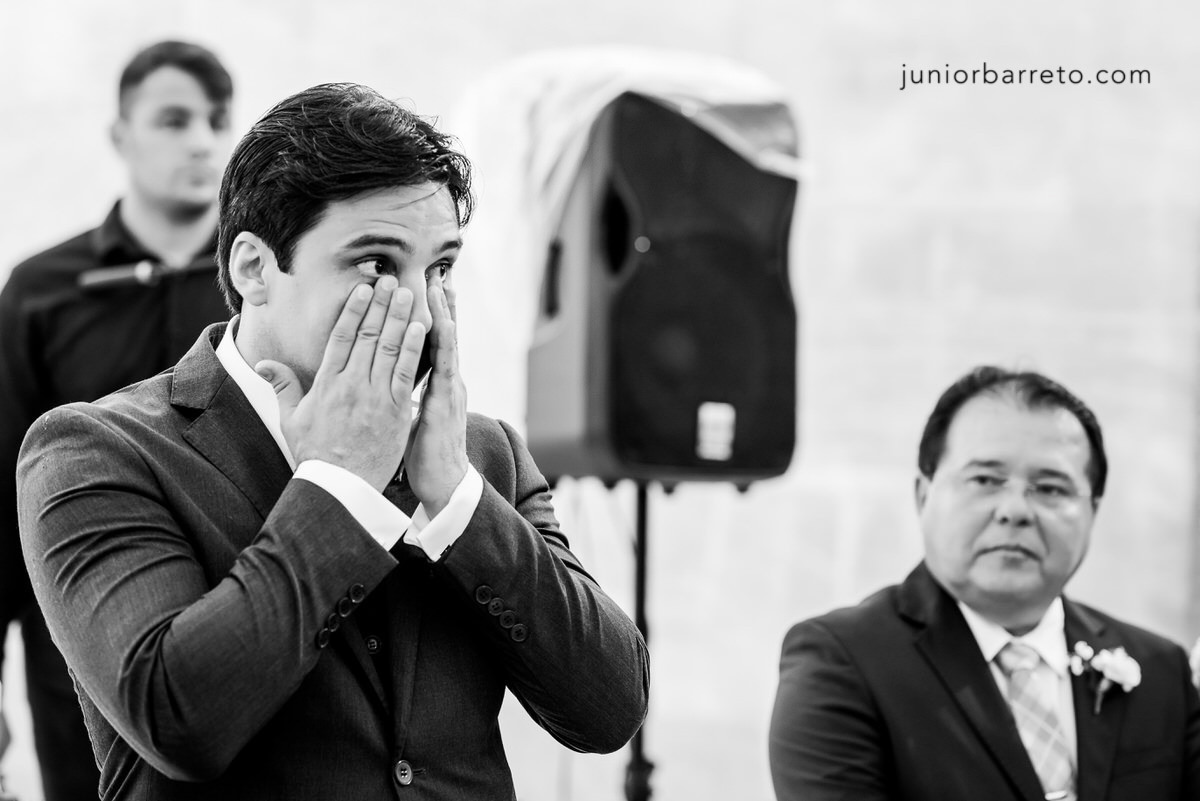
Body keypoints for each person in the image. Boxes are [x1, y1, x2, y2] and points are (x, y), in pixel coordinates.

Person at [17, 81, 649, 800]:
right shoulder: (94, 451)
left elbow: (609, 710)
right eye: (376, 263)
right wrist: (339, 487)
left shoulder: (486, 455)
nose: (420, 311)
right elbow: (179, 720)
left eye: (440, 268)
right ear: (254, 268)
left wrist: (459, 501)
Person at [769, 366, 1200, 801]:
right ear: (923, 495)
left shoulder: (1161, 669)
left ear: (1093, 511)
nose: (1015, 510)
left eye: (1050, 488)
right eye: (985, 480)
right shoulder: (843, 662)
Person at [0, 40, 233, 800]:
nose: (201, 141)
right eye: (174, 120)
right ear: (120, 135)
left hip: (246, 659)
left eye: (217, 120)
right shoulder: (39, 291)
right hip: (75, 673)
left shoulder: (269, 287)